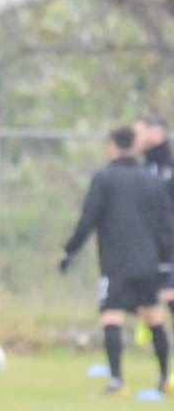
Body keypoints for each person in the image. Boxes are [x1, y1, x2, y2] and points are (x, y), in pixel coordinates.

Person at [61, 125, 174, 395]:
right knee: (154, 317)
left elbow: (88, 219)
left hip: (115, 263)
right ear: (134, 146)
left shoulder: (104, 178)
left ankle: (117, 381)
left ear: (112, 147)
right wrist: (165, 261)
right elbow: (166, 225)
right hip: (149, 263)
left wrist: (70, 251)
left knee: (111, 316)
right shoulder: (151, 180)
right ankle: (164, 378)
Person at [135, 115, 174, 328]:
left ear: (156, 133)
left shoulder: (168, 165)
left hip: (167, 238)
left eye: (141, 131)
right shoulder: (142, 167)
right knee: (147, 296)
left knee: (169, 291)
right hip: (148, 239)